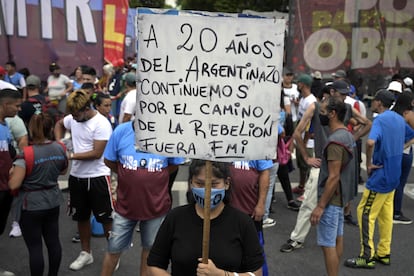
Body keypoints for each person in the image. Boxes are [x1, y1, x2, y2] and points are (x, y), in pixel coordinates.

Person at [280, 82, 371, 253]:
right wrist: (307, 157)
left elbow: (367, 123)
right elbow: (297, 132)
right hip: (323, 162)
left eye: (346, 94)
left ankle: (324, 241)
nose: (346, 97)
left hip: (337, 162)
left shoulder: (345, 108)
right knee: (310, 202)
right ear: (332, 92)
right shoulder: (316, 107)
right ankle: (297, 238)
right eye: (343, 94)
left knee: (337, 203)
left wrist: (352, 138)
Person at [147, 159, 264, 275]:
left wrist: (220, 274)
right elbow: (154, 265)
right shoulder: (175, 218)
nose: (207, 190)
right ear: (191, 183)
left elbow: (256, 272)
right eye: (199, 183)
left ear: (227, 183)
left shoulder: (243, 222)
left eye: (214, 184)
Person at [100, 120, 184, 276]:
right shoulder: (121, 131)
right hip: (125, 207)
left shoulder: (168, 133)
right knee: (113, 249)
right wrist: (128, 174)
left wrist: (154, 175)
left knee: (150, 250)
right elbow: (109, 160)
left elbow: (174, 164)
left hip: (156, 208)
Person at [344, 90, 414, 269]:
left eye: (374, 101)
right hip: (393, 175)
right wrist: (399, 147)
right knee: (385, 216)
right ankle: (383, 252)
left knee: (365, 214)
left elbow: (370, 142)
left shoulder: (381, 120)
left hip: (381, 176)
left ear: (379, 102)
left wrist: (369, 163)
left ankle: (366, 256)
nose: (372, 103)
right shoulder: (400, 119)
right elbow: (409, 134)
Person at [54, 89, 113, 271]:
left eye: (76, 114)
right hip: (77, 177)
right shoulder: (73, 118)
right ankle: (86, 253)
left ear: (87, 109)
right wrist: (60, 144)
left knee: (106, 218)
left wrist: (69, 156)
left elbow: (96, 153)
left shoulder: (102, 123)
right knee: (81, 217)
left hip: (98, 177)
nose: (73, 118)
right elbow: (59, 124)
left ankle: (113, 254)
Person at [8, 113, 68, 276]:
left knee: (35, 247)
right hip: (53, 200)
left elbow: (14, 184)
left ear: (31, 129)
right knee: (53, 242)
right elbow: (63, 170)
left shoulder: (26, 154)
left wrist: (11, 172)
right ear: (50, 129)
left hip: (31, 204)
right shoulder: (60, 148)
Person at [310, 96, 357, 276]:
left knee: (327, 244)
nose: (320, 115)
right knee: (337, 239)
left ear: (332, 113)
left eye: (322, 112)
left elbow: (333, 176)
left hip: (331, 200)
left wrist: (320, 206)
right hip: (340, 198)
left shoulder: (335, 141)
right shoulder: (348, 136)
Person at [229, 159, 272, 275]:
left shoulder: (258, 145)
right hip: (227, 210)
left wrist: (261, 204)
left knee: (255, 250)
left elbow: (265, 173)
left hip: (250, 210)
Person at [0, 88, 23, 276]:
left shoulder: (5, 125)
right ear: (5, 105)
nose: (18, 109)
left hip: (5, 186)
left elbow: (10, 153)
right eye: (16, 105)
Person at [292, 74, 317, 196]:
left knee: (309, 166)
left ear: (303, 85)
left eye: (299, 83)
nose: (297, 85)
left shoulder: (311, 102)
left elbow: (310, 125)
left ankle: (308, 192)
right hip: (300, 138)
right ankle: (302, 186)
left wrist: (305, 141)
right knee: (301, 165)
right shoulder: (302, 99)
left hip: (307, 141)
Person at [392, 92, 414, 224]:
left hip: (392, 151)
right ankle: (396, 212)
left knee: (393, 182)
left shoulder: (392, 113)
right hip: (404, 152)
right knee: (400, 183)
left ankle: (390, 210)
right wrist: (407, 144)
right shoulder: (408, 114)